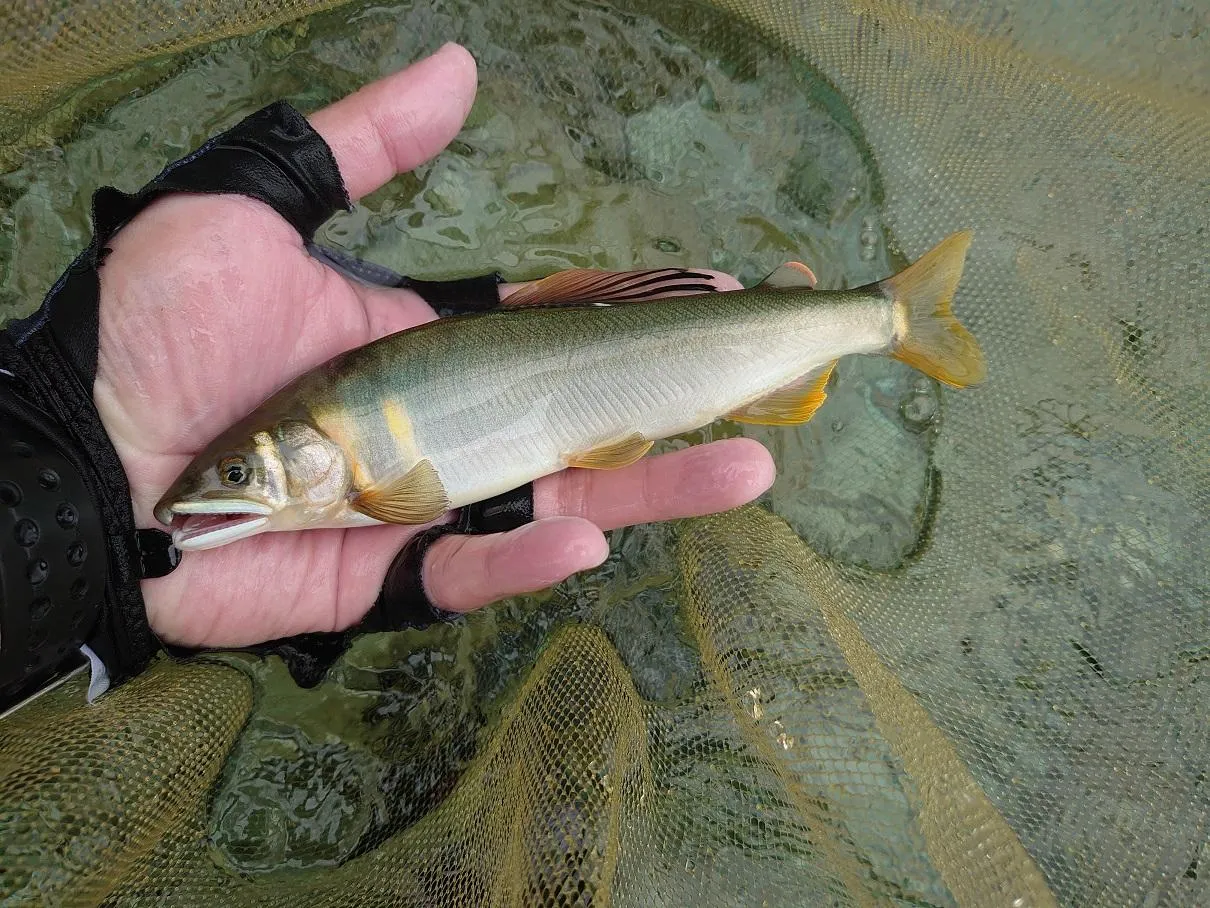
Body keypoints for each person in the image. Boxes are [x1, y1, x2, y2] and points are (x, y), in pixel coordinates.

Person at [0, 43, 774, 712]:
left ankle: (857, 319)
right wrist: (89, 509)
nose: (199, 498)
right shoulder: (307, 481)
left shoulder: (361, 489)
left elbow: (412, 501)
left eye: (238, 469)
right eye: (236, 470)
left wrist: (68, 459)